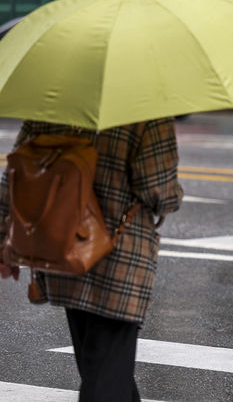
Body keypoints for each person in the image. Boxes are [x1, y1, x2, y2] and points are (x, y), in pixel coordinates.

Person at [0, 118, 183, 401]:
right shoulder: (146, 112)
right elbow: (158, 190)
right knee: (106, 378)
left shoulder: (53, 98)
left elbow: (16, 173)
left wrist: (4, 238)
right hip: (120, 261)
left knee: (102, 367)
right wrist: (174, 196)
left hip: (64, 251)